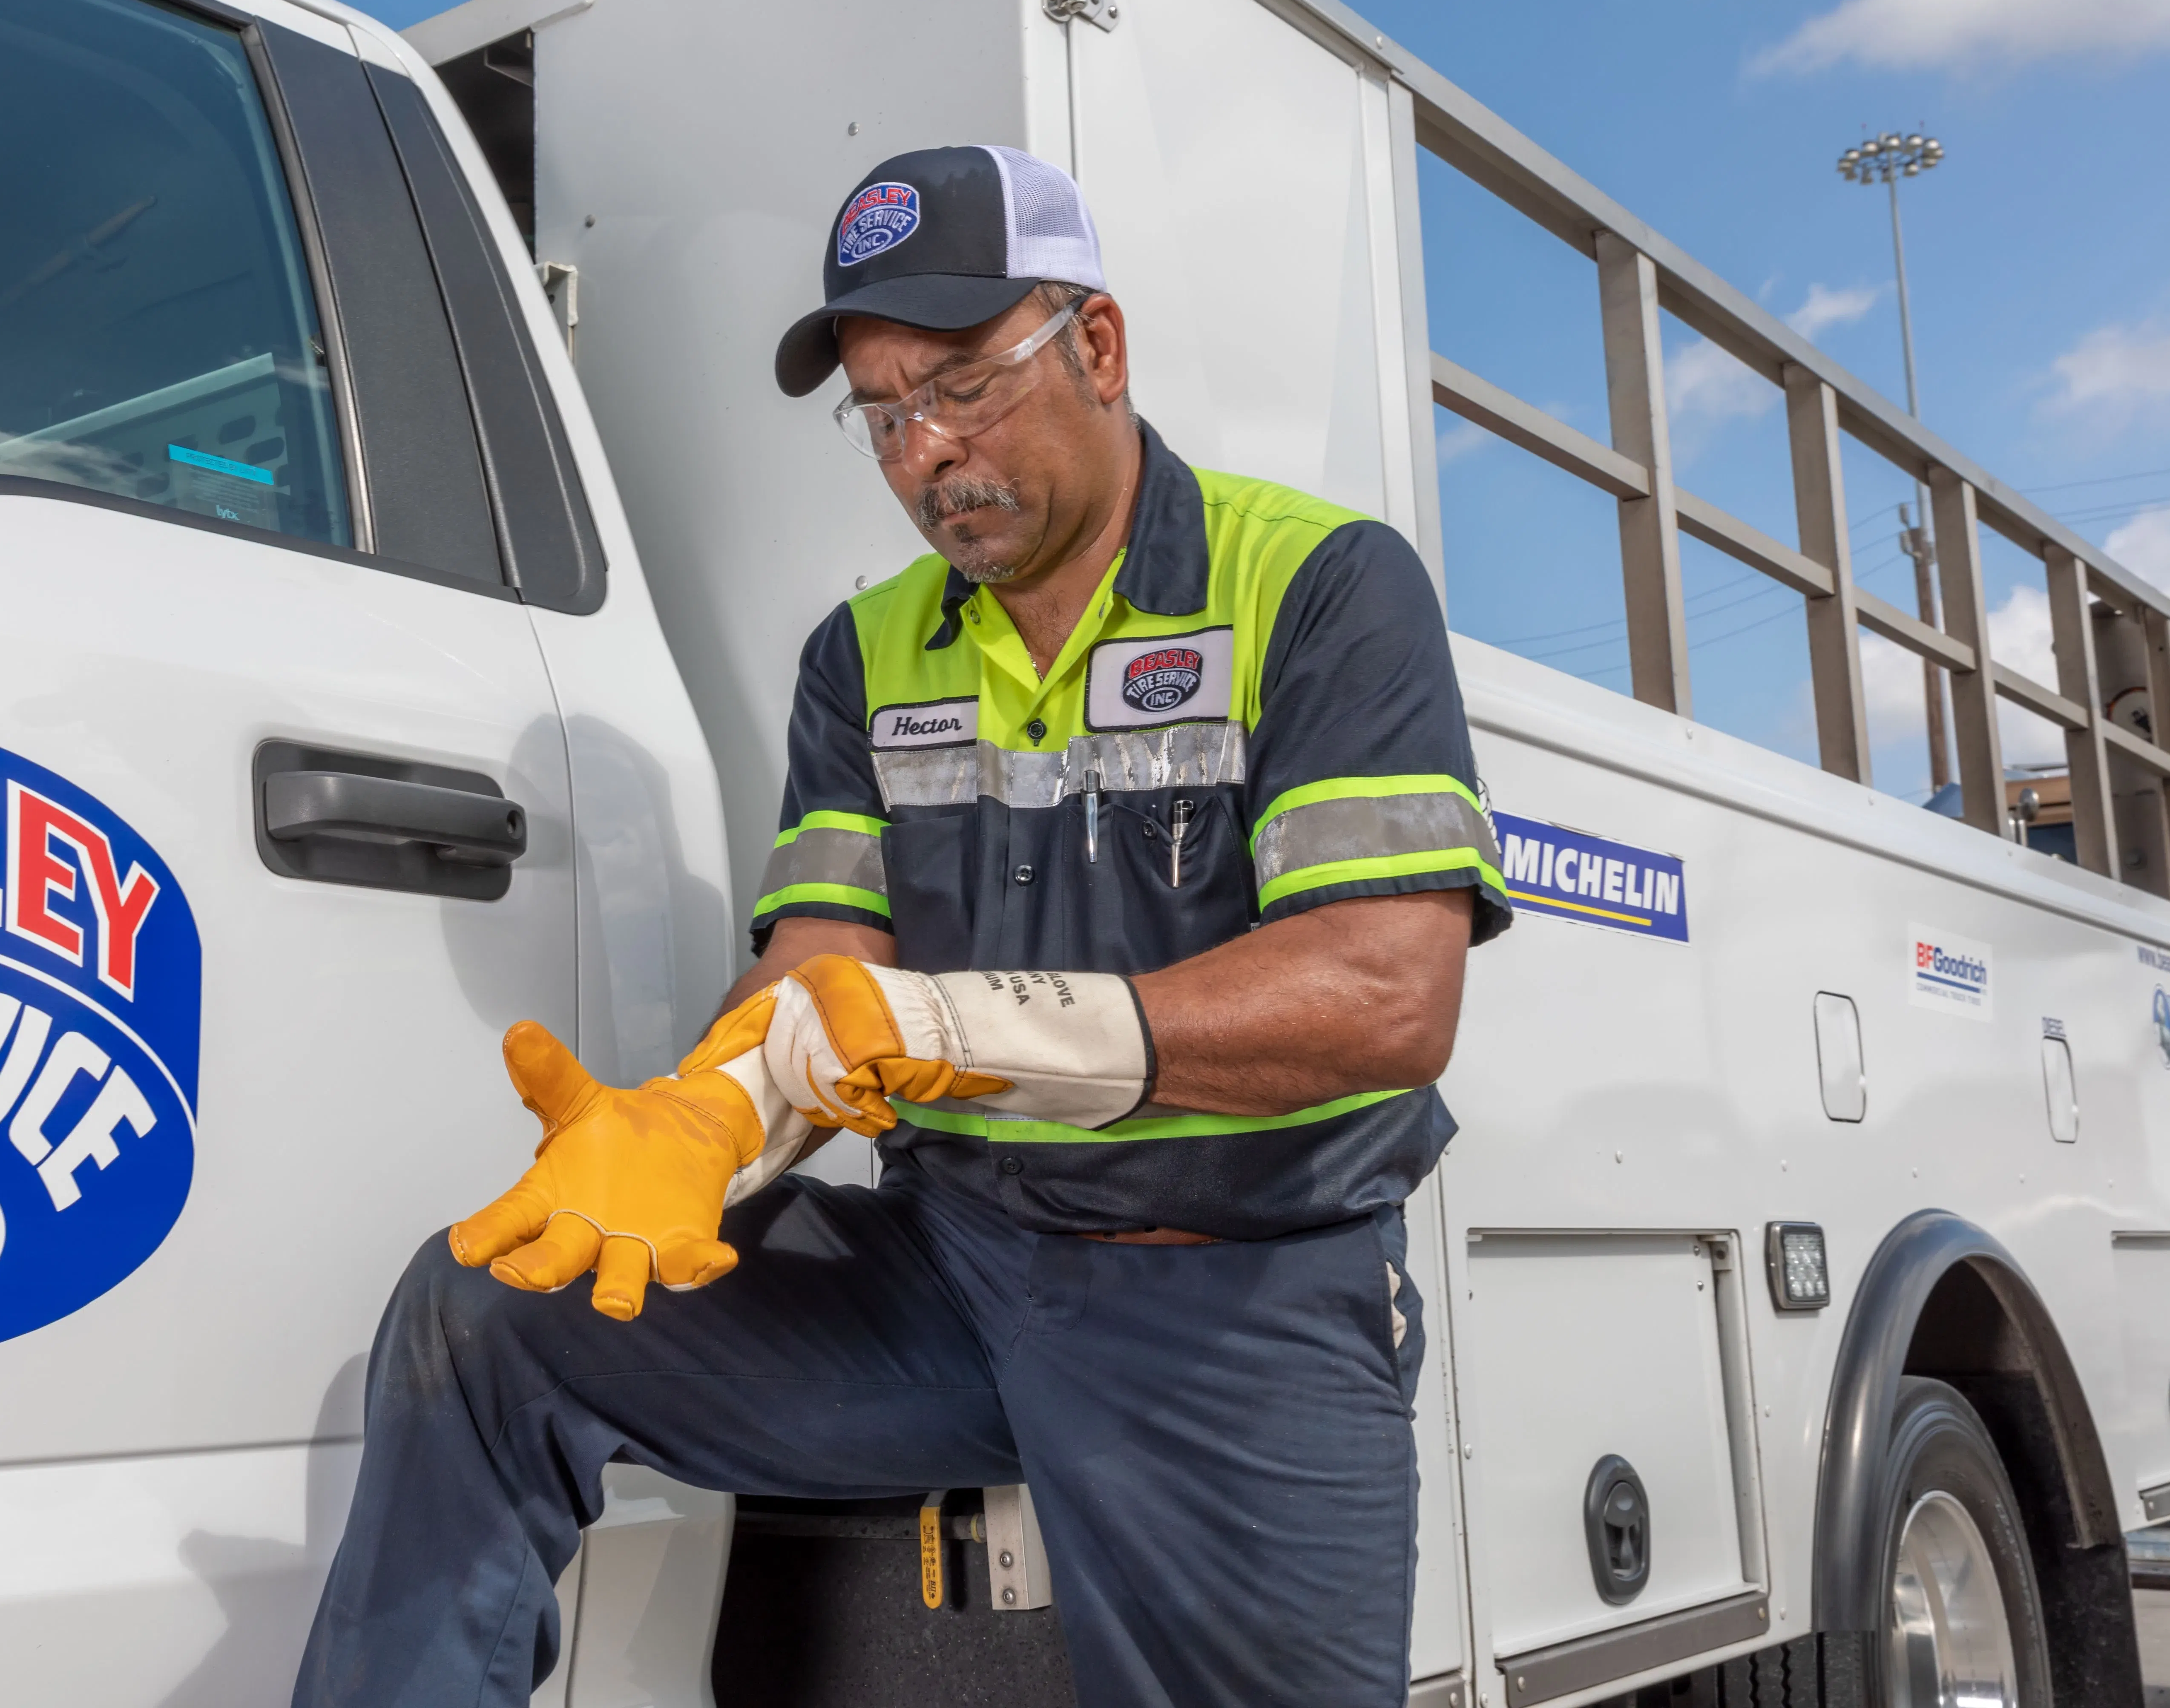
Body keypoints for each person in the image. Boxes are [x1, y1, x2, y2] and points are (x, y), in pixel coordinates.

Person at [292, 144, 1509, 1707]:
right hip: (950, 1267)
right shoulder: (861, 657)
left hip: (1233, 1293)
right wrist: (710, 1122)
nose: (930, 452)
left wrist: (962, 1030)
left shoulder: (1321, 586)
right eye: (881, 415)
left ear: (1100, 346)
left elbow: (1381, 996)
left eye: (964, 386)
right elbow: (826, 966)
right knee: (493, 1308)